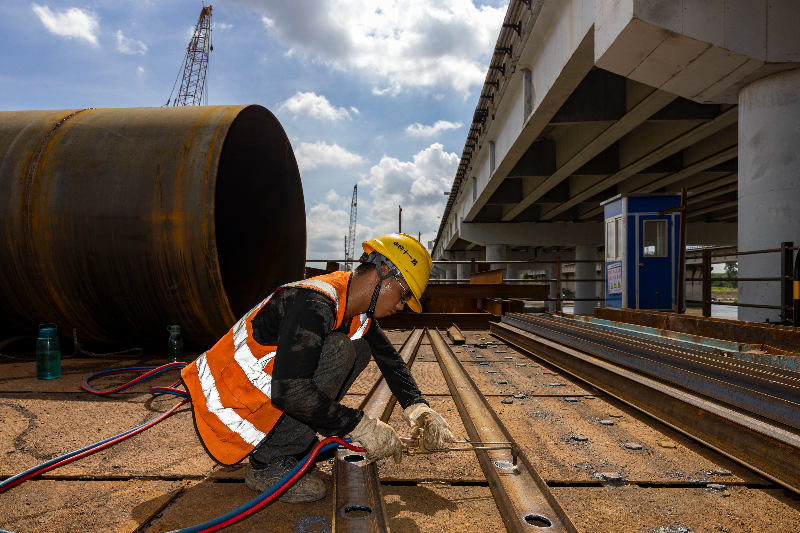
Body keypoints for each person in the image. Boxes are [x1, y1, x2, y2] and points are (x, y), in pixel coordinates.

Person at [181, 233, 454, 503]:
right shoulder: (314, 303)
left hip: (263, 399)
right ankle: (268, 463)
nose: (401, 305)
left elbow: (390, 359)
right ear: (383, 272)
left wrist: (418, 408)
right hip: (228, 406)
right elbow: (291, 392)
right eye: (403, 294)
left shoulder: (352, 309)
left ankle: (290, 443)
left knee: (360, 348)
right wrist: (359, 426)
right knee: (340, 349)